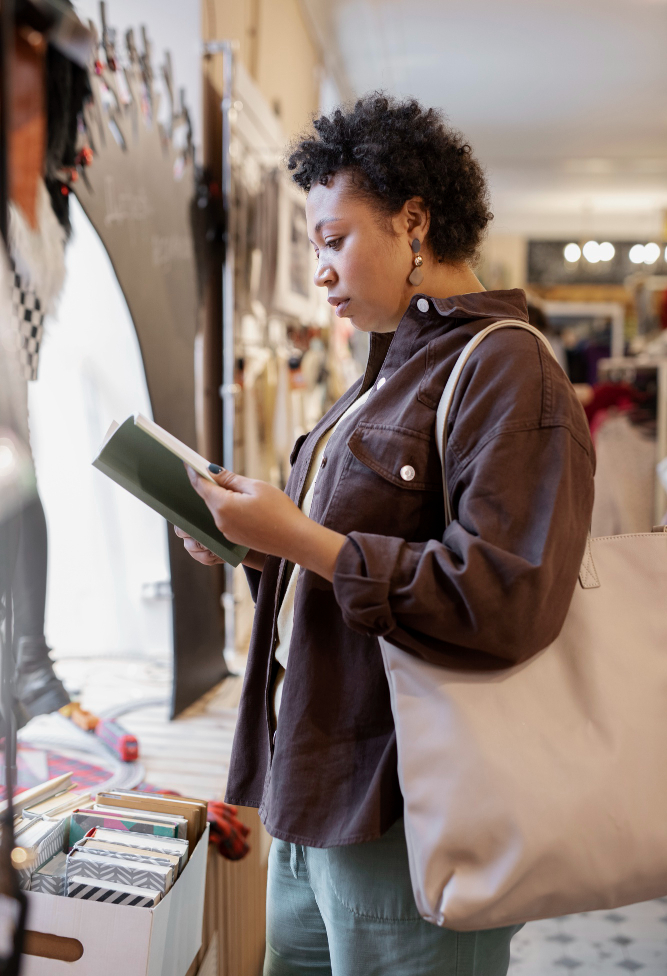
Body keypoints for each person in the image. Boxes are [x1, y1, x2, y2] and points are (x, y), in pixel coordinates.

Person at [176, 94, 595, 976]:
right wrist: (258, 546)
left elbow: (504, 596)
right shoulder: (382, 375)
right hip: (315, 783)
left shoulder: (508, 370)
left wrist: (300, 541)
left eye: (333, 241)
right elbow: (344, 552)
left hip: (409, 804)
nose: (320, 271)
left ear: (414, 222)